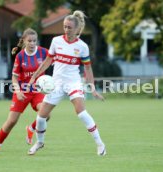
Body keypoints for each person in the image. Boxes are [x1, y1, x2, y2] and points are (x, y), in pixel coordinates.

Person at [26, 10, 106, 156]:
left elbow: (88, 68)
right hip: (55, 84)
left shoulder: (82, 47)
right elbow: (47, 61)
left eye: (69, 27)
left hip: (73, 82)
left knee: (81, 113)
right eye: (64, 26)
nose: (66, 30)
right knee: (41, 117)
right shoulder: (56, 41)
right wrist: (34, 77)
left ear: (76, 29)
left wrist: (92, 89)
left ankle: (100, 144)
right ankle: (40, 142)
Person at [0, 28, 49, 153]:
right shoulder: (20, 56)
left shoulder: (44, 52)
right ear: (24, 41)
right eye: (29, 41)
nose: (32, 43)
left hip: (37, 91)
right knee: (11, 121)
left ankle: (31, 128)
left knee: (46, 114)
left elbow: (56, 59)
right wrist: (17, 91)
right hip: (22, 91)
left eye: (34, 41)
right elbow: (14, 77)